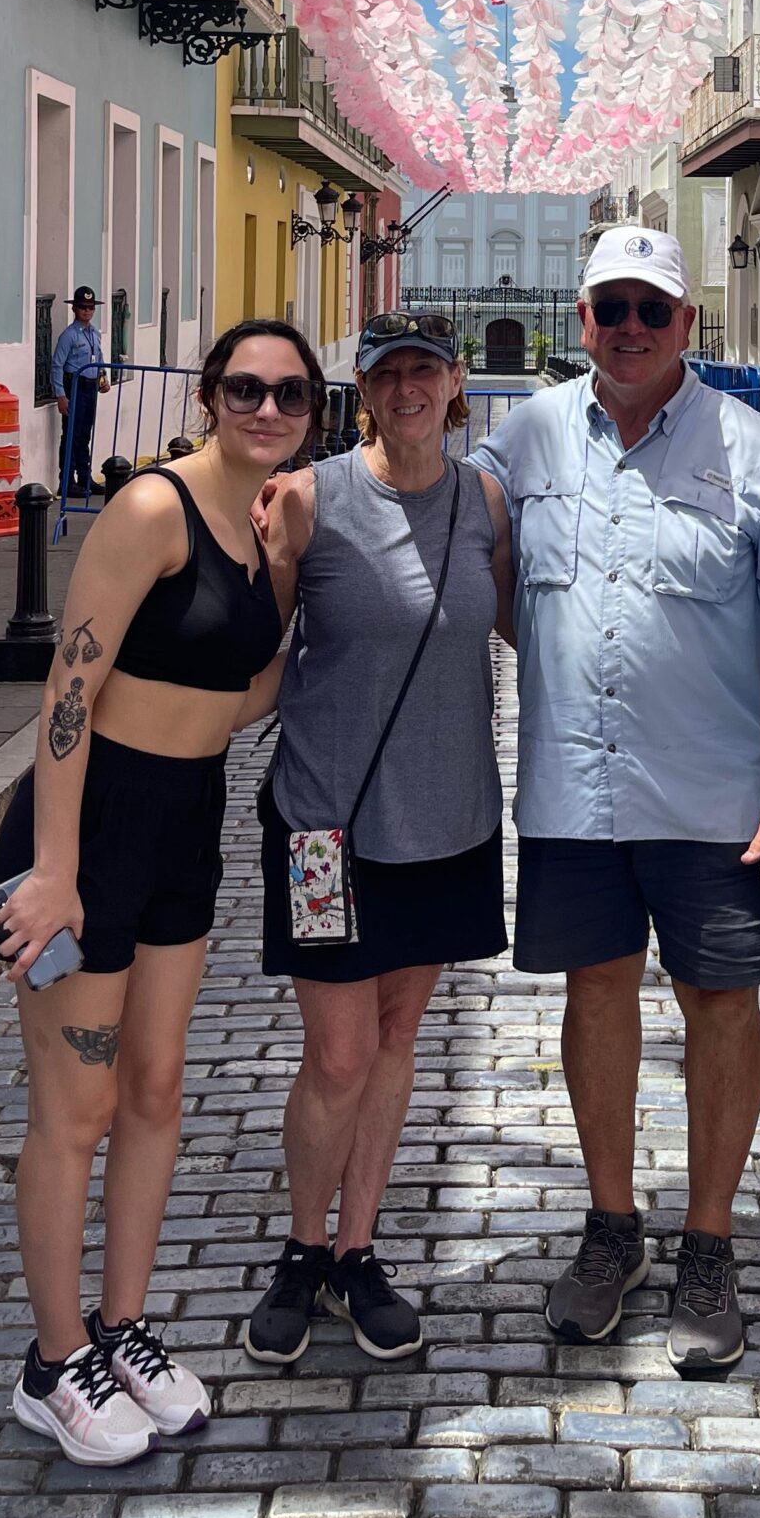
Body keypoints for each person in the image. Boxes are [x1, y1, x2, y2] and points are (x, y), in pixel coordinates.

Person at [473, 226, 760, 1374]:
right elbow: (457, 547)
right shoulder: (524, 436)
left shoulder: (754, 450)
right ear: (582, 318)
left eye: (653, 310)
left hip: (718, 795)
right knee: (597, 991)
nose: (630, 327)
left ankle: (709, 1242)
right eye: (610, 307)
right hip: (576, 785)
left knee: (721, 1003)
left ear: (688, 325)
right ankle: (613, 1224)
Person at [0, 319, 316, 1465]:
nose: (264, 409)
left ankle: (122, 1327)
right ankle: (52, 1357)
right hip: (92, 826)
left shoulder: (256, 522)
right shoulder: (152, 509)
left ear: (312, 412)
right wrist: (57, 871)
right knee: (72, 1111)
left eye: (288, 394)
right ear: (212, 394)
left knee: (158, 1091)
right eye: (244, 388)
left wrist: (286, 570)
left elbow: (242, 694)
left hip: (186, 823)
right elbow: (69, 688)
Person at [240, 309, 513, 1370]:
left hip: (447, 820)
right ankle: (301, 1250)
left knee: (398, 1043)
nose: (408, 389)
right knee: (340, 1051)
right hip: (325, 830)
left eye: (425, 371)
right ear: (365, 389)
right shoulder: (310, 499)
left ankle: (359, 1248)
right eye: (388, 372)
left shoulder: (483, 501)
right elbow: (256, 649)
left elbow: (529, 628)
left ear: (454, 387)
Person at [51, 286, 110, 500]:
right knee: (71, 435)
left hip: (90, 386)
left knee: (85, 434)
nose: (87, 311)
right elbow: (57, 365)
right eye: (83, 307)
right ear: (75, 309)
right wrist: (60, 395)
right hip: (74, 386)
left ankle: (85, 478)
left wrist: (103, 378)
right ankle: (66, 482)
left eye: (90, 307)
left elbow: (99, 358)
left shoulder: (94, 334)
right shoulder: (69, 335)